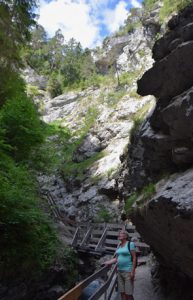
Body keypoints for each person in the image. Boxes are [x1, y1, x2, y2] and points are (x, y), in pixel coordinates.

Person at [104, 230, 136, 300]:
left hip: (128, 271)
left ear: (126, 236)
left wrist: (133, 271)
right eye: (119, 233)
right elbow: (116, 258)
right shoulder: (119, 245)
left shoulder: (130, 244)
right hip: (119, 271)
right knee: (122, 292)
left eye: (121, 233)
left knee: (128, 293)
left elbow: (134, 258)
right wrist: (108, 262)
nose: (119, 234)